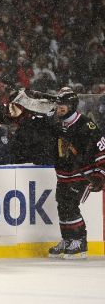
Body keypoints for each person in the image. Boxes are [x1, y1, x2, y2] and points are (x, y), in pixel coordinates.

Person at [47, 89, 105, 259]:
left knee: (70, 206)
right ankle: (67, 239)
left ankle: (80, 241)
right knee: (62, 205)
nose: (60, 108)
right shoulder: (58, 125)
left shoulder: (87, 125)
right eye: (58, 104)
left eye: (63, 105)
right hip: (63, 175)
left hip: (82, 174)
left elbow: (102, 150)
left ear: (72, 105)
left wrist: (100, 174)